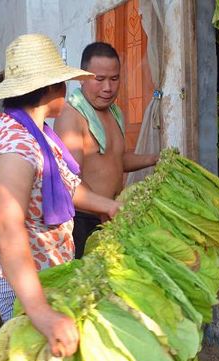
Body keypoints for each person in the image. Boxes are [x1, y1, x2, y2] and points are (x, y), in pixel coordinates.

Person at [0, 34, 120, 358]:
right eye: (63, 83)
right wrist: (40, 312)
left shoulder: (38, 133)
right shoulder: (16, 146)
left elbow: (69, 186)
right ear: (50, 88)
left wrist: (110, 206)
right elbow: (7, 228)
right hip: (25, 285)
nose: (67, 90)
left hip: (51, 272)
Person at [54, 42, 158, 258]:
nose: (108, 88)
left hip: (110, 216)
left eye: (114, 78)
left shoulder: (115, 112)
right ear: (83, 78)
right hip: (83, 222)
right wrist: (104, 207)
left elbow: (117, 160)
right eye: (99, 79)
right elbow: (71, 180)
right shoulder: (71, 116)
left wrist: (155, 158)